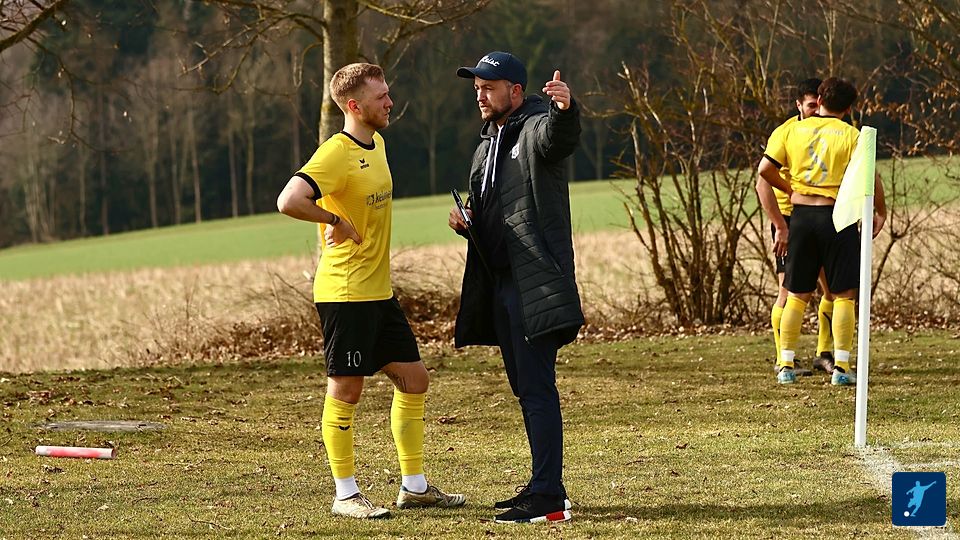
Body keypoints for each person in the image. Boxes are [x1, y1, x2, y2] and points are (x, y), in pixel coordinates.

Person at [277, 62, 465, 519]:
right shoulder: (336, 153)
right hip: (345, 293)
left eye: (388, 93)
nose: (390, 103)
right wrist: (333, 220)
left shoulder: (377, 143)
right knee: (346, 390)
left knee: (415, 380)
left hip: (379, 293)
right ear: (354, 106)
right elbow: (289, 200)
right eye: (381, 97)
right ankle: (345, 495)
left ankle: (415, 488)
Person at [449, 51, 582, 524]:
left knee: (537, 388)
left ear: (516, 91)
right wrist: (467, 221)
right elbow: (491, 207)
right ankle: (545, 484)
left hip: (534, 283)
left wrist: (565, 109)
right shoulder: (487, 142)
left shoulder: (534, 126)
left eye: (489, 87)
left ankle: (548, 497)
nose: (481, 96)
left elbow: (557, 139)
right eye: (477, 89)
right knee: (526, 389)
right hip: (502, 284)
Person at [758, 77, 886, 385]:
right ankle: (841, 367)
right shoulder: (853, 135)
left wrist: (791, 190)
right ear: (849, 108)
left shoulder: (793, 131)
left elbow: (764, 170)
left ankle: (785, 365)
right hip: (836, 216)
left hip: (800, 217)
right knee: (843, 294)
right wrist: (880, 211)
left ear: (820, 100)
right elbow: (870, 176)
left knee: (796, 294)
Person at [756, 78, 837, 377]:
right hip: (791, 220)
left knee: (832, 289)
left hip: (823, 217)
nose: (816, 111)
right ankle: (783, 360)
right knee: (787, 290)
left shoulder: (834, 131)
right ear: (799, 105)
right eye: (811, 105)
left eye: (819, 105)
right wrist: (780, 226)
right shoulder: (785, 133)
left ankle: (824, 354)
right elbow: (762, 183)